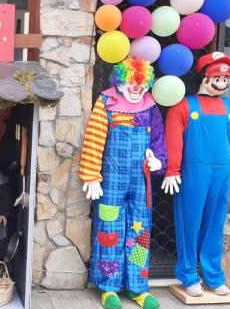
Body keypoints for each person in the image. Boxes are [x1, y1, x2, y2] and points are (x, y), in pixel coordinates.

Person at [79, 57, 167, 309]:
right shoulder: (107, 102)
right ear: (119, 82)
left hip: (141, 181)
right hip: (112, 181)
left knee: (141, 233)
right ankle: (109, 287)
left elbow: (158, 140)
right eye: (130, 81)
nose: (136, 87)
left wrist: (159, 161)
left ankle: (137, 287)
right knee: (109, 231)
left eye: (140, 82)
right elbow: (94, 138)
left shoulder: (150, 107)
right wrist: (91, 174)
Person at [162, 52, 230, 297]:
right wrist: (172, 170)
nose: (222, 83)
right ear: (205, 78)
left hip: (221, 172)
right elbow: (173, 141)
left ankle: (213, 276)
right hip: (193, 172)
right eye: (217, 78)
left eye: (226, 79)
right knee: (189, 222)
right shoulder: (183, 105)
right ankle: (189, 274)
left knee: (215, 222)